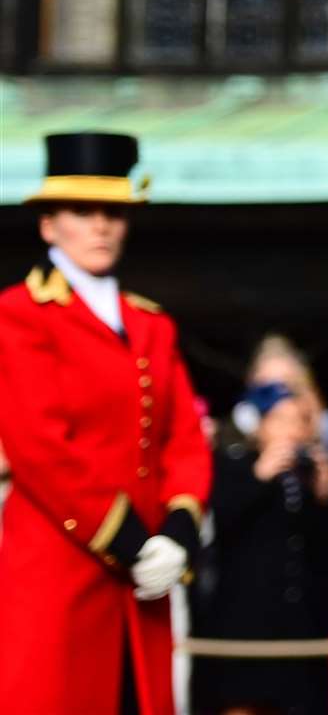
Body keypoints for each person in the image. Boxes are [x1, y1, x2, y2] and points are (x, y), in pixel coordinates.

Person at [0, 131, 211, 715]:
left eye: (113, 211)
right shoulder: (18, 315)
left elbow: (183, 440)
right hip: (59, 573)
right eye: (82, 211)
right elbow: (40, 447)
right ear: (49, 225)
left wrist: (179, 529)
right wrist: (132, 542)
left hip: (145, 578)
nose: (101, 226)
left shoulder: (152, 324)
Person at [195, 383, 328, 715]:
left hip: (296, 629)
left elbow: (325, 553)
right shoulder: (231, 465)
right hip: (242, 628)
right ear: (257, 425)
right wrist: (259, 476)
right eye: (280, 419)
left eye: (299, 420)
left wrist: (324, 500)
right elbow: (217, 527)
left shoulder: (307, 477)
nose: (291, 429)